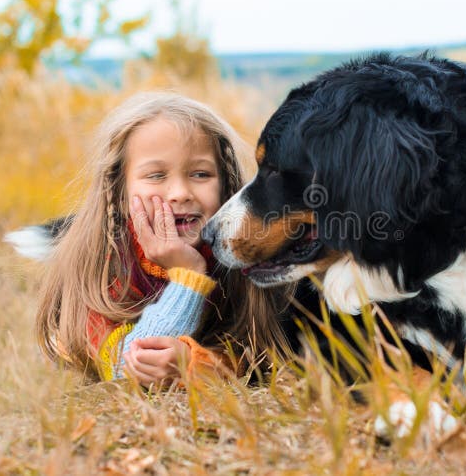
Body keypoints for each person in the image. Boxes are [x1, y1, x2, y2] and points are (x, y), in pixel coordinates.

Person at [35, 92, 292, 384]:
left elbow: (255, 358)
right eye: (156, 176)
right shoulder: (100, 265)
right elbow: (128, 370)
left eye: (200, 174)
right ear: (119, 193)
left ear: (225, 185)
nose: (180, 192)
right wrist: (188, 277)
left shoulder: (243, 259)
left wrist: (196, 364)